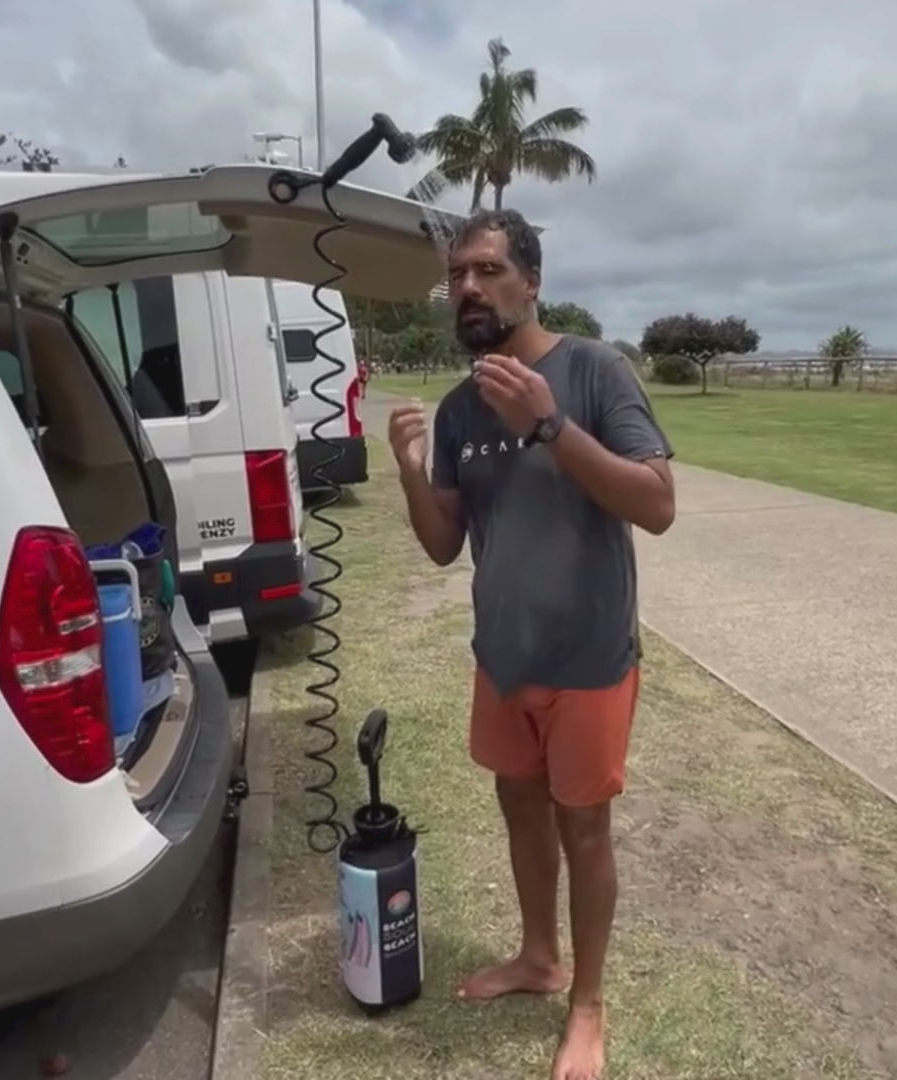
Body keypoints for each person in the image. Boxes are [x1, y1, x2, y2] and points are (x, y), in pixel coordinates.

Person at [388, 208, 675, 1080]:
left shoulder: (592, 369)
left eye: (486, 270)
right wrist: (408, 469)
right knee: (520, 805)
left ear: (531, 281)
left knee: (584, 826)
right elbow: (445, 543)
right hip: (502, 656)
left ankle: (586, 1004)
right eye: (457, 277)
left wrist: (552, 425)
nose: (468, 289)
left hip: (588, 657)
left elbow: (656, 504)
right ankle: (539, 958)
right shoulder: (457, 405)